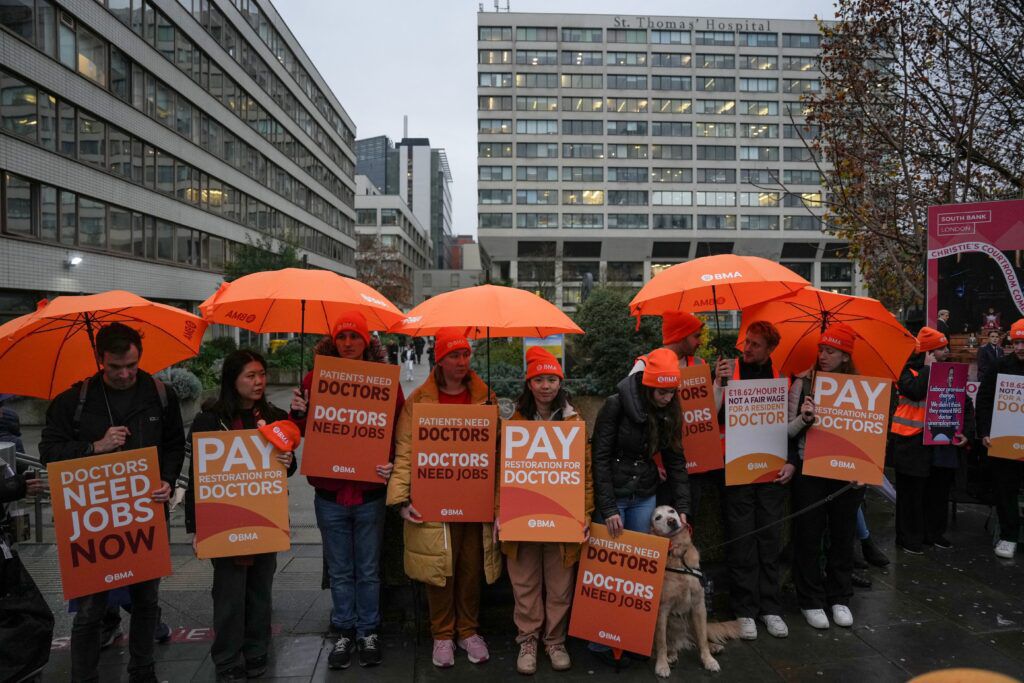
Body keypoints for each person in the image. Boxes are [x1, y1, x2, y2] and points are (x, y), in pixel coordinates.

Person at [40, 322, 184, 683]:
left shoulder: (160, 394)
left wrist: (167, 479)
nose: (124, 374)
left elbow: (173, 444)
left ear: (140, 357)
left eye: (131, 366)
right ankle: (84, 677)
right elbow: (49, 452)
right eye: (115, 367)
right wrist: (95, 447)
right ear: (99, 359)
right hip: (95, 518)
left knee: (146, 601)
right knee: (90, 608)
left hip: (145, 512)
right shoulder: (73, 402)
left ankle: (143, 672)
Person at [289, 312, 402, 669]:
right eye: (342, 337)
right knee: (340, 570)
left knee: (368, 569)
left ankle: (368, 630)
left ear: (366, 341)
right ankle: (343, 629)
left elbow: (399, 428)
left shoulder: (385, 381)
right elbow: (301, 431)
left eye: (355, 336)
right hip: (330, 495)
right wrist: (298, 413)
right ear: (333, 341)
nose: (348, 343)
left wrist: (393, 461)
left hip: (369, 494)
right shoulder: (315, 379)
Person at [386, 330, 501, 669]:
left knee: (470, 568)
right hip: (432, 500)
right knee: (440, 569)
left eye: (465, 355)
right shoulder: (419, 400)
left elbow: (497, 453)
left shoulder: (486, 397)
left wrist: (498, 504)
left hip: (474, 500)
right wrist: (401, 500)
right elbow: (406, 450)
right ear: (440, 359)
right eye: (454, 355)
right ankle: (442, 634)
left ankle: (468, 631)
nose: (461, 362)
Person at [184, 350, 298, 682]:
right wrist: (196, 527)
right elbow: (197, 478)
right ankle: (227, 659)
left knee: (260, 591)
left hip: (265, 519)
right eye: (251, 375)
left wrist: (289, 461)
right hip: (224, 522)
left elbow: (287, 468)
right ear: (232, 380)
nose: (259, 381)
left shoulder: (275, 416)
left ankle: (257, 650)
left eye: (262, 374)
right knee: (229, 595)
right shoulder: (209, 420)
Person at [590, 347, 690, 667]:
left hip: (644, 494)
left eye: (672, 392)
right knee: (609, 570)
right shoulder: (615, 404)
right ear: (648, 386)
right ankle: (601, 639)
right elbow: (599, 457)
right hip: (614, 495)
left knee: (640, 572)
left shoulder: (670, 409)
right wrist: (608, 508)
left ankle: (633, 636)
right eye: (662, 392)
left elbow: (676, 460)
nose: (667, 398)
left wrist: (683, 506)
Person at [496, 347, 593, 675]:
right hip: (521, 516)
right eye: (539, 380)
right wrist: (499, 512)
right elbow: (501, 471)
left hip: (562, 517)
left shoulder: (574, 420)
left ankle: (555, 641)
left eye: (552, 379)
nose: (546, 386)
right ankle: (527, 640)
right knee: (524, 584)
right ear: (529, 383)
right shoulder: (514, 421)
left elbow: (585, 474)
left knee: (560, 586)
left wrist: (586, 514)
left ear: (560, 383)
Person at [712, 320, 791, 640]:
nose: (746, 348)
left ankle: (770, 608)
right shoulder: (729, 371)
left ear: (771, 349)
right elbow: (710, 415)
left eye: (755, 344)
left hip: (771, 469)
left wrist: (792, 462)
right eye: (746, 342)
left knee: (769, 539)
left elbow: (789, 422)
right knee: (741, 540)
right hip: (736, 468)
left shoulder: (781, 376)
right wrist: (718, 383)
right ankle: (744, 610)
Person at [787, 324, 867, 630]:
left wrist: (865, 469)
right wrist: (804, 418)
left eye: (831, 351)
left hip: (846, 474)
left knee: (843, 537)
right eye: (821, 349)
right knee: (808, 535)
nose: (823, 355)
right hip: (810, 470)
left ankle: (839, 597)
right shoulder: (803, 384)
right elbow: (786, 432)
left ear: (845, 356)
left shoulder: (862, 388)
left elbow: (869, 432)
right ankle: (810, 599)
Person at [890, 327, 964, 554]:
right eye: (941, 348)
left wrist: (964, 431)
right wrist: (928, 369)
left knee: (934, 493)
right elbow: (915, 391)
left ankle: (930, 534)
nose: (947, 351)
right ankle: (908, 538)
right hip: (909, 442)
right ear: (928, 353)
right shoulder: (907, 372)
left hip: (936, 442)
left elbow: (962, 402)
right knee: (910, 495)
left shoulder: (947, 372)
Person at [976, 318, 1024, 559]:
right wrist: (985, 431)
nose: (1020, 347)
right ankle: (1009, 536)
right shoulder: (999, 366)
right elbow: (984, 400)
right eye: (1016, 342)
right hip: (1005, 441)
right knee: (1005, 489)